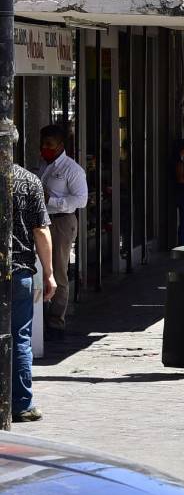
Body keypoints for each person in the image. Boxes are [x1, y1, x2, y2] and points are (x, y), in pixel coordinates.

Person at [11, 130, 57, 421]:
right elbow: (41, 230)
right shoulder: (29, 181)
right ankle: (21, 403)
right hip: (19, 272)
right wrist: (49, 273)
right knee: (20, 338)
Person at [38, 124, 86, 339]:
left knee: (58, 271)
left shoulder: (72, 169)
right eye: (43, 144)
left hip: (61, 222)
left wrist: (53, 201)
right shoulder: (43, 166)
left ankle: (56, 322)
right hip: (42, 221)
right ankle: (41, 319)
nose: (45, 148)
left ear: (60, 146)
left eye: (49, 144)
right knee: (41, 269)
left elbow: (80, 200)